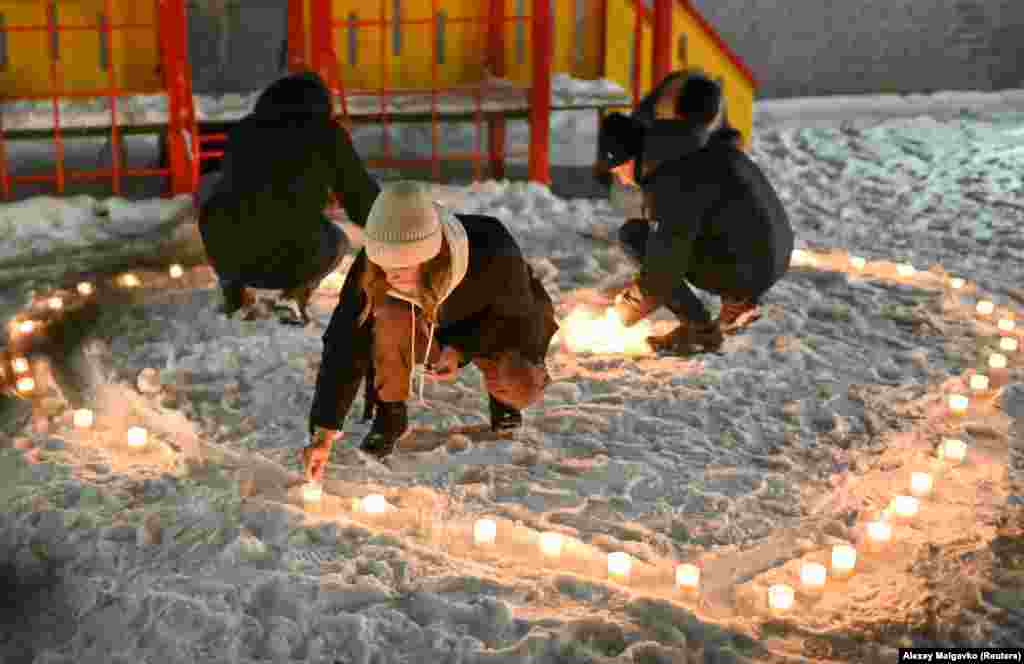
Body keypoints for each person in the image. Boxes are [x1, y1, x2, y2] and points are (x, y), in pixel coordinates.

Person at [300, 181, 558, 481]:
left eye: (404, 266)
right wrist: (325, 430)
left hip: (489, 322)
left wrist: (460, 349)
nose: (393, 274)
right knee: (387, 314)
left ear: (433, 256)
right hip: (427, 319)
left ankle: (501, 392)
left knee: (517, 376)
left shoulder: (493, 249)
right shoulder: (372, 267)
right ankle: (391, 413)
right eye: (384, 265)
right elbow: (345, 341)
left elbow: (514, 318)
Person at [611, 73, 794, 353]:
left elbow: (664, 267)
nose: (622, 180)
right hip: (773, 257)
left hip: (750, 266)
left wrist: (625, 311)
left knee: (635, 237)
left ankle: (700, 330)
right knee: (683, 232)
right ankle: (740, 300)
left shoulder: (672, 175)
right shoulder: (705, 147)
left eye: (619, 171)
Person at [198, 71, 380, 326]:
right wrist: (399, 224)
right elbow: (362, 201)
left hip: (229, 255)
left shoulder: (243, 131)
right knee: (339, 241)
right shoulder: (326, 132)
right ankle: (294, 297)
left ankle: (234, 295)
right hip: (294, 258)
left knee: (220, 208)